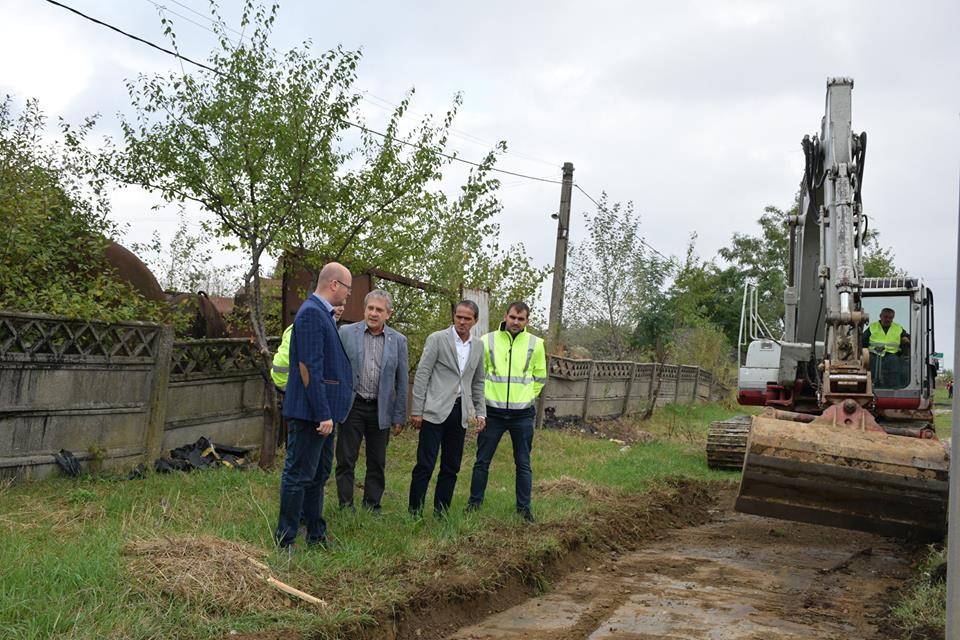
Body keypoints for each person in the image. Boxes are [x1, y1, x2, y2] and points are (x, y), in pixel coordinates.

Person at [275, 263, 353, 550]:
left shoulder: (323, 314)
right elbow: (309, 369)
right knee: (297, 475)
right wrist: (323, 414)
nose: (347, 295)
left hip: (323, 415)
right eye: (346, 288)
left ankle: (315, 534)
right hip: (311, 415)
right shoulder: (311, 314)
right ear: (334, 284)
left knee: (318, 475)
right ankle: (286, 540)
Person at [467, 302, 547, 523]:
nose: (516, 322)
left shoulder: (536, 344)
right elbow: (478, 375)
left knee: (523, 463)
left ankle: (524, 509)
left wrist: (527, 397)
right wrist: (481, 405)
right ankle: (474, 504)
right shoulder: (488, 340)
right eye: (513, 317)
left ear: (527, 321)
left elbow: (540, 377)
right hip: (492, 413)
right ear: (506, 316)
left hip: (522, 415)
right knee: (482, 461)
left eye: (521, 319)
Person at [408, 300, 486, 517]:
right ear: (454, 316)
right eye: (458, 316)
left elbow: (478, 381)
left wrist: (481, 412)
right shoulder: (437, 339)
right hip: (434, 411)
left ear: (475, 321)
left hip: (459, 413)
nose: (461, 321)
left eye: (467, 318)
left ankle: (441, 512)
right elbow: (423, 374)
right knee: (425, 464)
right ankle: (414, 512)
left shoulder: (478, 346)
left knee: (451, 467)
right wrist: (417, 410)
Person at [336, 290, 409, 513]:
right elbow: (336, 369)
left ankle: (372, 505)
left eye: (379, 310)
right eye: (370, 308)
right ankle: (345, 506)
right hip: (353, 406)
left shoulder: (398, 340)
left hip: (380, 409)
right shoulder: (346, 332)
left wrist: (399, 416)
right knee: (346, 459)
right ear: (364, 309)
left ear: (388, 313)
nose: (374, 313)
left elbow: (402, 381)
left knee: (377, 461)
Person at [272, 305, 344, 391]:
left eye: (343, 305)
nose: (342, 309)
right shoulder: (305, 328)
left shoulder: (326, 329)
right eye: (336, 305)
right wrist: (292, 387)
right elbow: (281, 364)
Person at [862, 307, 910, 388]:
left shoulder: (898, 328)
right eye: (886, 317)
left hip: (892, 355)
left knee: (895, 364)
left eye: (890, 318)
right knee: (869, 364)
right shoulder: (873, 327)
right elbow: (863, 340)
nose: (887, 319)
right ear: (880, 316)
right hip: (874, 354)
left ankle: (894, 387)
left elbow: (906, 337)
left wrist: (905, 339)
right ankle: (870, 386)